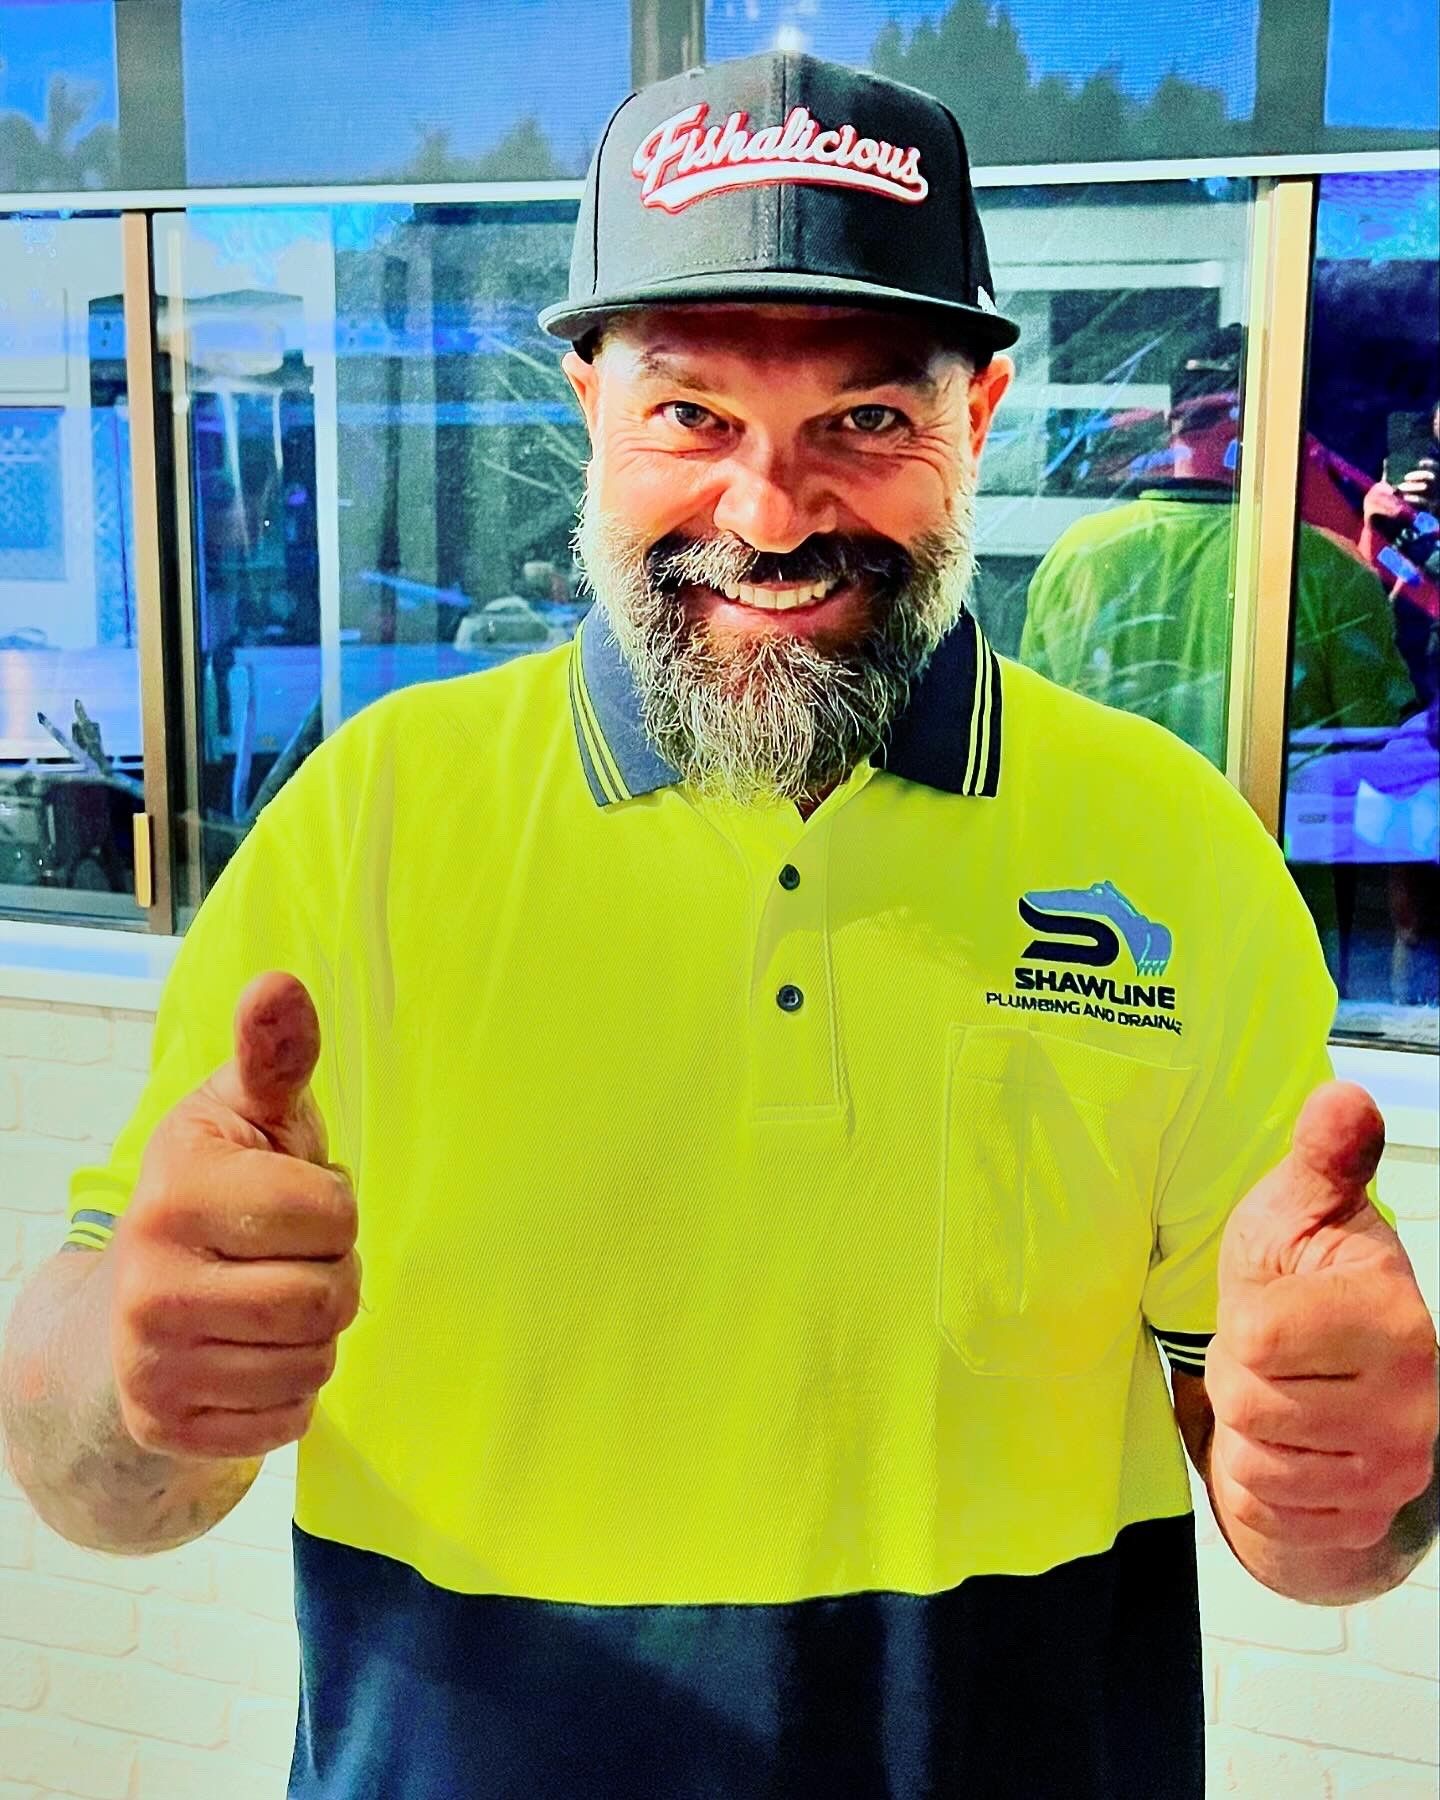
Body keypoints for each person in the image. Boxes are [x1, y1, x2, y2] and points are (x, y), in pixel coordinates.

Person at [2, 53, 1436, 1800]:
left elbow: (1318, 1532)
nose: (770, 516)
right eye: (692, 416)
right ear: (588, 406)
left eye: (863, 420)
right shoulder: (369, 827)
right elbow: (93, 1473)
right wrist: (139, 1378)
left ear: (977, 417)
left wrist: (1360, 1480)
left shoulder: (1177, 858)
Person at [1018, 325, 1420, 769]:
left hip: (1102, 834)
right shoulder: (1326, 569)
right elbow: (1379, 752)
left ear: (1173, 424)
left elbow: (1031, 732)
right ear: (1279, 428)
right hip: (1264, 838)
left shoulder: (1076, 553)